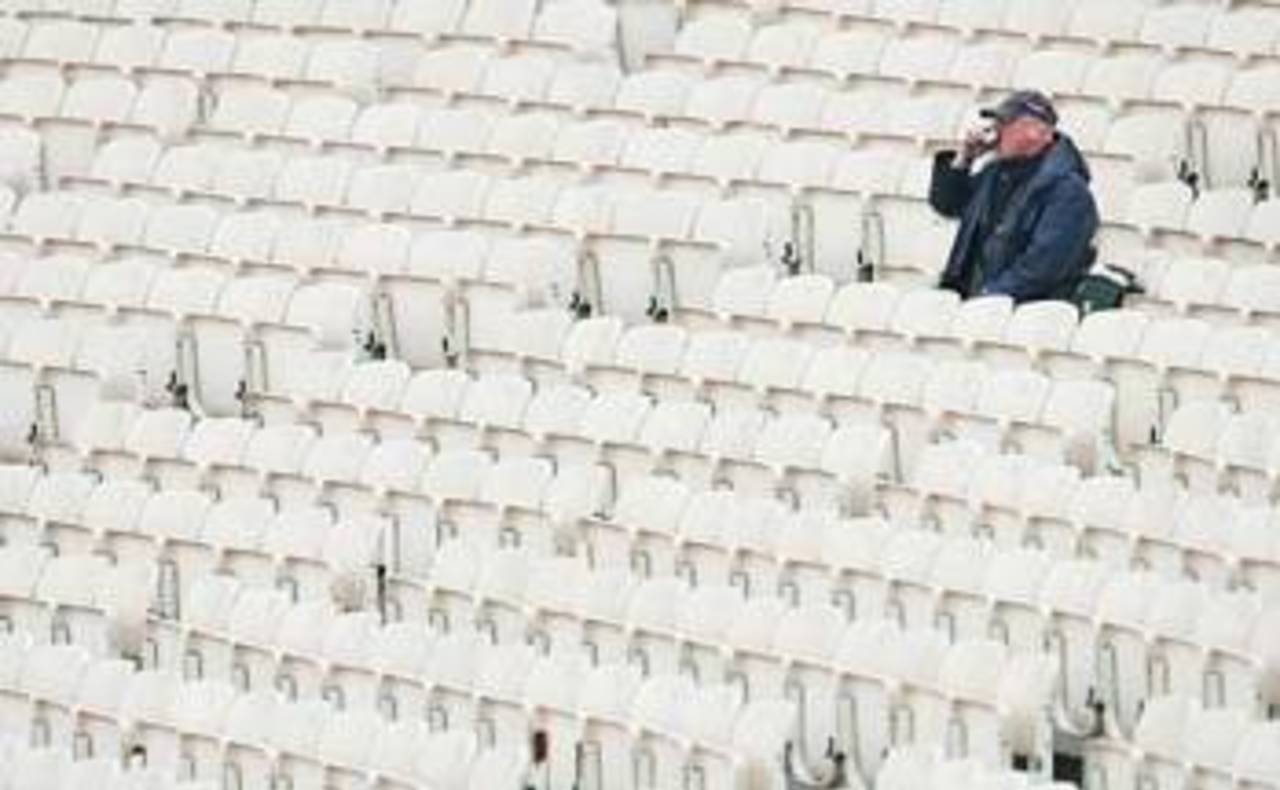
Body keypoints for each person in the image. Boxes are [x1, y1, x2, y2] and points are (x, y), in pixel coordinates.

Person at [929, 90, 1099, 303]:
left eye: (1006, 123)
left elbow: (1043, 267)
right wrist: (964, 158)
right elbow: (947, 204)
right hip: (979, 303)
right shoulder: (995, 173)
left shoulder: (1068, 191)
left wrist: (988, 297)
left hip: (1026, 315)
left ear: (1039, 132)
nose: (996, 131)